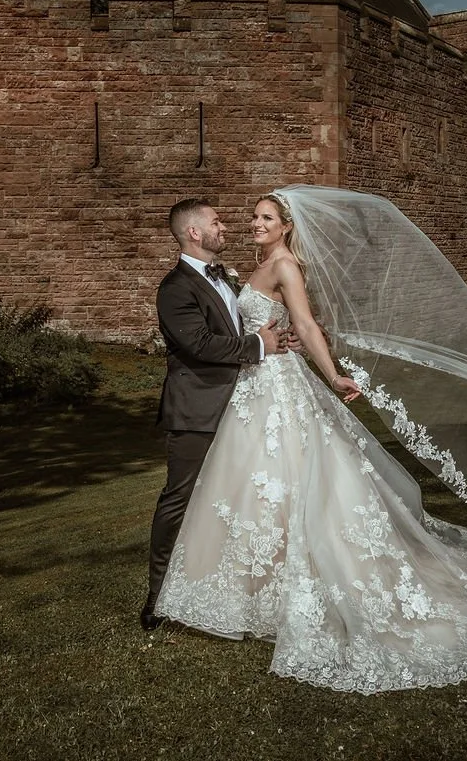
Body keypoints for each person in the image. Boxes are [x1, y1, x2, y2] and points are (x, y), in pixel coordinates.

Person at [154, 187, 467, 692]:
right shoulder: (219, 276)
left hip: (274, 384)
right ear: (198, 234)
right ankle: (233, 588)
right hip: (253, 387)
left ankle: (278, 589)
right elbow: (226, 334)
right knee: (255, 487)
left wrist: (330, 374)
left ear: (288, 225)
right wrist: (265, 341)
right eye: (249, 217)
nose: (250, 224)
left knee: (290, 480)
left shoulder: (284, 264)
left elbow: (307, 325)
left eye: (264, 217)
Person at [142, 198, 293, 632]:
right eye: (216, 222)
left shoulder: (225, 276)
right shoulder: (175, 288)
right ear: (194, 233)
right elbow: (201, 346)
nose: (225, 227)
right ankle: (157, 597)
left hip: (240, 404)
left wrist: (278, 341)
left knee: (230, 502)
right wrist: (259, 346)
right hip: (196, 411)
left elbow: (241, 329)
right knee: (180, 499)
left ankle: (221, 589)